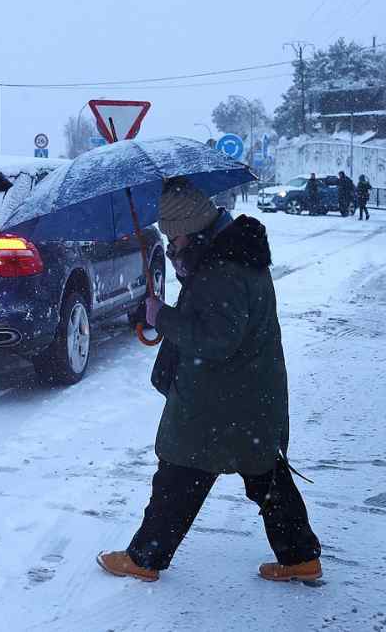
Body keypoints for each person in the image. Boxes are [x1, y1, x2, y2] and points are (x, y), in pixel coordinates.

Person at [98, 178, 323, 584]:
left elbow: (216, 339)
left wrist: (162, 317)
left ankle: (145, 558)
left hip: (219, 399)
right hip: (247, 393)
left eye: (174, 238)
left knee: (179, 475)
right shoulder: (230, 254)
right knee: (264, 474)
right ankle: (299, 557)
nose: (171, 247)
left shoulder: (223, 270)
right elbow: (217, 317)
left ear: (190, 230)